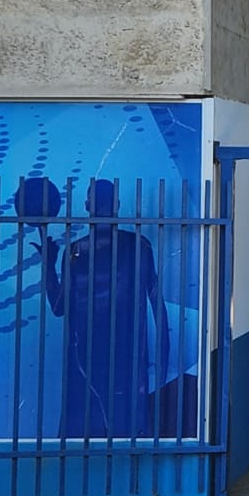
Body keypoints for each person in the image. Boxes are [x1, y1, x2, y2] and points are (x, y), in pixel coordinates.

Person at [41, 179, 168, 440]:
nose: (99, 206)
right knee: (99, 425)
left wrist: (163, 353)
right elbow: (60, 307)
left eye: (103, 201)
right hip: (92, 356)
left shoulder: (134, 247)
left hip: (118, 353)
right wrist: (49, 266)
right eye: (97, 201)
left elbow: (156, 301)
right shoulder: (77, 251)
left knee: (116, 424)